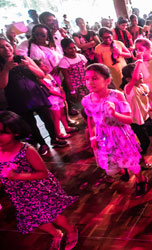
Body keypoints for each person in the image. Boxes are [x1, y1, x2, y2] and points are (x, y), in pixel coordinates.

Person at [0, 111, 77, 250]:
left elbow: (43, 173)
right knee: (34, 220)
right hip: (19, 194)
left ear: (16, 132)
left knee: (55, 216)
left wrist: (17, 176)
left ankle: (71, 230)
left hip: (39, 190)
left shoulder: (26, 150)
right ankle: (56, 234)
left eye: (2, 133)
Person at [82, 64, 148, 197]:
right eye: (87, 79)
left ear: (107, 80)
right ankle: (123, 170)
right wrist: (92, 137)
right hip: (103, 136)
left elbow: (129, 119)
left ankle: (141, 179)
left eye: (95, 78)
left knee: (130, 161)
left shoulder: (117, 96)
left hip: (120, 134)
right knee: (112, 161)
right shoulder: (86, 100)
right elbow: (90, 118)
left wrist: (114, 114)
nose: (90, 82)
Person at [0, 38, 67, 155]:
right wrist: (6, 69)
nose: (6, 49)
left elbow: (42, 75)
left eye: (7, 45)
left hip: (36, 95)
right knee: (30, 124)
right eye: (1, 47)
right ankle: (42, 144)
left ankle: (54, 139)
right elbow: (2, 85)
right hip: (17, 99)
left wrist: (29, 66)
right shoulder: (1, 66)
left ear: (11, 45)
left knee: (48, 119)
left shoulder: (24, 58)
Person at [121, 62, 152, 155]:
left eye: (140, 72)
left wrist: (149, 107)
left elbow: (144, 100)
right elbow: (135, 80)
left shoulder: (143, 86)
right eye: (136, 73)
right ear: (128, 79)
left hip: (146, 117)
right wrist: (139, 62)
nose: (140, 74)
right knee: (145, 142)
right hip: (136, 121)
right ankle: (140, 156)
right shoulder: (129, 89)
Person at [35, 60, 77, 140]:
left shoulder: (49, 75)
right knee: (56, 117)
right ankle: (58, 133)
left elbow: (57, 85)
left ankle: (66, 127)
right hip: (52, 99)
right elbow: (49, 90)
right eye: (42, 65)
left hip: (59, 97)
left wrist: (62, 92)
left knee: (62, 113)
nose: (45, 65)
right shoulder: (40, 79)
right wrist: (60, 95)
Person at [58, 38, 89, 110]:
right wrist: (72, 91)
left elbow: (87, 70)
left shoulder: (81, 56)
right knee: (83, 107)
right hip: (76, 87)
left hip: (86, 84)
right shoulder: (64, 61)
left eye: (74, 47)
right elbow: (67, 78)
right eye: (70, 48)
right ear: (64, 50)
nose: (73, 50)